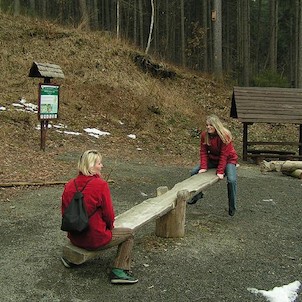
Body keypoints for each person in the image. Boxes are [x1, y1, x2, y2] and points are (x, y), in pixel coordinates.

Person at [61, 150, 138, 284]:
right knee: (129, 234)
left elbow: (64, 213)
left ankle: (70, 259)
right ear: (91, 166)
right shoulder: (101, 185)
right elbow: (109, 215)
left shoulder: (69, 185)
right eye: (99, 163)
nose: (102, 166)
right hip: (94, 239)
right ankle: (119, 270)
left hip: (74, 237)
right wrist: (109, 229)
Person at [188, 114, 238, 216]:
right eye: (207, 125)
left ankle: (232, 207)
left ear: (216, 126)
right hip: (213, 159)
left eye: (211, 125)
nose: (208, 127)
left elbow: (224, 155)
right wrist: (203, 167)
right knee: (194, 172)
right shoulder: (204, 135)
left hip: (229, 160)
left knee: (232, 180)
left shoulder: (225, 135)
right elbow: (203, 152)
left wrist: (220, 172)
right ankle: (198, 195)